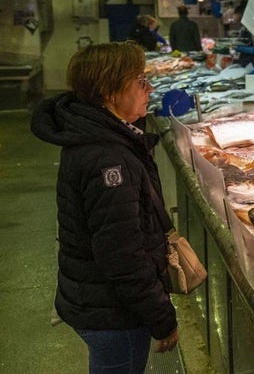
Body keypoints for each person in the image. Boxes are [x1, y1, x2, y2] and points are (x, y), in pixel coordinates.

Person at [30, 42, 179, 372]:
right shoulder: (108, 159)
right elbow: (121, 256)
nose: (149, 88)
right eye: (140, 80)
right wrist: (162, 318)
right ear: (111, 90)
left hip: (97, 300)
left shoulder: (97, 135)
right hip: (114, 313)